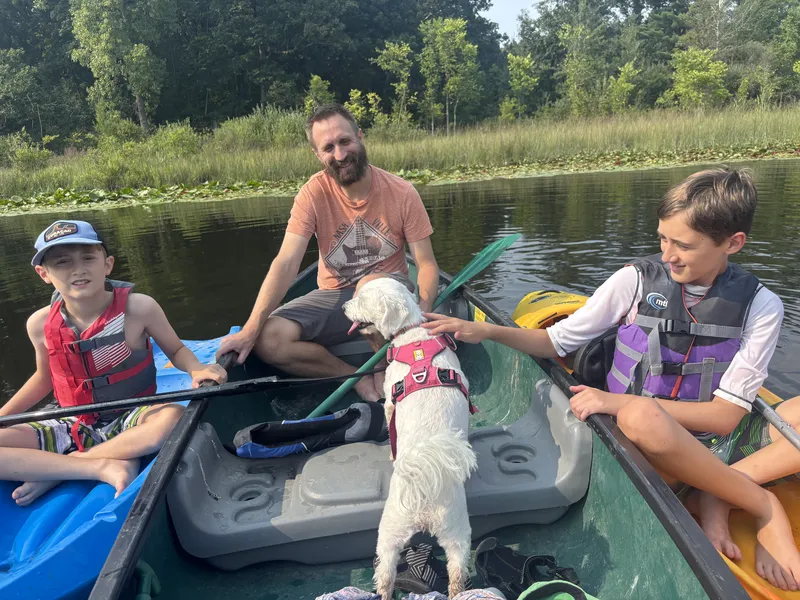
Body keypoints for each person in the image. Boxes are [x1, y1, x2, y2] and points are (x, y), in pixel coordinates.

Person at [422, 168, 800, 592]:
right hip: (655, 445)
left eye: (684, 245)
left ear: (733, 243)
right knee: (639, 417)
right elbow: (556, 341)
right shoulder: (635, 281)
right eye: (663, 238)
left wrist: (614, 401)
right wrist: (488, 331)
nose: (668, 255)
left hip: (714, 439)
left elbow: (727, 417)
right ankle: (759, 502)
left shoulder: (762, 304)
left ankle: (719, 493)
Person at [217, 104, 439, 401]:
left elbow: (425, 265)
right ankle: (352, 377)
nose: (340, 155)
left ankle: (384, 365)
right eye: (328, 147)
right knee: (268, 340)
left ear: (360, 137)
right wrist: (251, 329)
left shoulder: (402, 192)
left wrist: (420, 315)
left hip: (391, 297)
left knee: (368, 286)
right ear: (317, 155)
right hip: (336, 299)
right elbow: (285, 263)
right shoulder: (313, 193)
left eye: (345, 142)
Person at [0, 220, 227, 506]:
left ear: (107, 264)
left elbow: (176, 349)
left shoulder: (139, 307)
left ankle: (58, 467)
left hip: (130, 415)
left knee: (172, 419)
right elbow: (44, 378)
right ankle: (95, 466)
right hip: (71, 420)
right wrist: (4, 415)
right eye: (62, 262)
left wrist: (196, 368)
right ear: (44, 273)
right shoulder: (39, 323)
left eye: (88, 258)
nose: (78, 269)